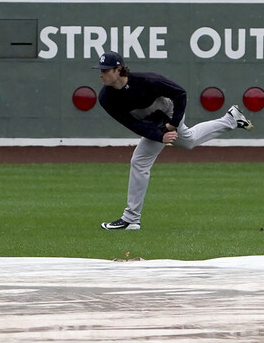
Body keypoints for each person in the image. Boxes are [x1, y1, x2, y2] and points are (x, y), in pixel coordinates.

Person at [93, 51, 253, 230]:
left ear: (119, 69)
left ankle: (131, 219)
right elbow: (131, 123)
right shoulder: (106, 97)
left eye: (106, 70)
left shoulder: (147, 80)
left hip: (169, 115)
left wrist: (173, 123)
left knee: (139, 161)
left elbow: (180, 94)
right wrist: (159, 135)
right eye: (101, 70)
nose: (101, 74)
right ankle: (231, 119)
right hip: (155, 125)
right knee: (189, 141)